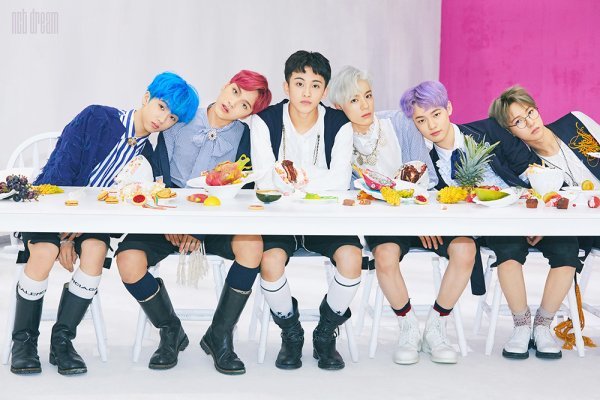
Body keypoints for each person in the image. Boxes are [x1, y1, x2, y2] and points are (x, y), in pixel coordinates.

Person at [11, 72, 199, 375]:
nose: (163, 120)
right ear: (147, 98)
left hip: (92, 220)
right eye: (162, 107)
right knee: (45, 252)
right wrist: (65, 237)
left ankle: (62, 341)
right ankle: (23, 343)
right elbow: (60, 173)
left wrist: (81, 230)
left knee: (96, 251)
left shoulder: (148, 155)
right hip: (49, 205)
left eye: (173, 118)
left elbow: (127, 204)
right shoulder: (96, 118)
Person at [403, 80, 581, 360]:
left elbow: (528, 169)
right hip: (489, 224)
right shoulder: (425, 162)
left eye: (436, 114)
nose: (432, 125)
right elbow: (425, 199)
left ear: (449, 108)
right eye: (421, 121)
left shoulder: (489, 130)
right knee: (508, 251)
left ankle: (543, 326)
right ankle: (521, 326)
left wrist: (538, 215)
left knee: (567, 248)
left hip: (527, 208)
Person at [115, 70, 271, 375]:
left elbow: (241, 190)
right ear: (225, 85)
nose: (233, 103)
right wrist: (173, 221)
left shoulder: (245, 137)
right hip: (167, 215)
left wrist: (199, 229)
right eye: (235, 92)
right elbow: (157, 173)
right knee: (128, 261)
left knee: (253, 247)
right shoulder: (181, 117)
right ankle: (170, 329)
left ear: (248, 114)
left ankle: (219, 335)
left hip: (216, 219)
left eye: (244, 105)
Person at [250, 51, 361, 371]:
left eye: (315, 85)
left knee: (352, 259)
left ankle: (326, 331)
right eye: (299, 83)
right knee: (269, 261)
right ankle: (291, 331)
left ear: (325, 90)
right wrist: (315, 178)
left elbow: (340, 182)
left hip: (325, 216)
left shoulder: (340, 124)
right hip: (278, 217)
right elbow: (262, 178)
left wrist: (290, 177)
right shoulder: (264, 121)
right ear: (286, 86)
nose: (307, 92)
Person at [489, 85, 600, 256]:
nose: (530, 122)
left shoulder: (576, 122)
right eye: (518, 121)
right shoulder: (530, 167)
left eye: (530, 112)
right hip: (586, 226)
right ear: (509, 132)